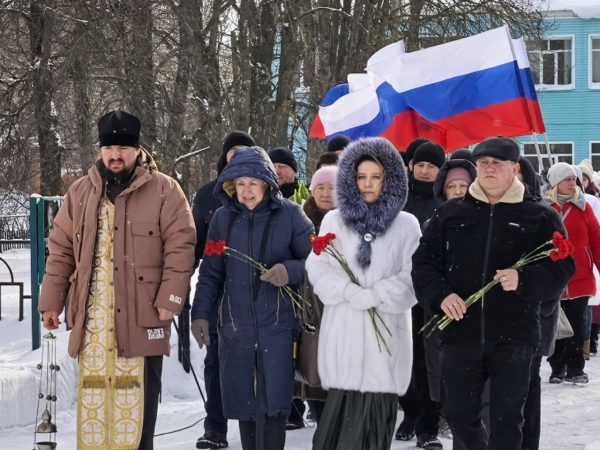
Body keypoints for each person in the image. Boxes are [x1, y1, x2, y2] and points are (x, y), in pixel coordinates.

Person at [39, 110, 196, 450]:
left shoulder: (165, 190)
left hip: (143, 317)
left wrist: (170, 299)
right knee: (96, 409)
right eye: (109, 147)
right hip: (94, 324)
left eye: (123, 148)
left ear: (137, 150)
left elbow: (181, 247)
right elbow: (61, 249)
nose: (115, 155)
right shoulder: (80, 192)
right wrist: (51, 303)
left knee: (137, 418)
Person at [412, 137, 575, 450]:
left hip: (515, 336)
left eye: (496, 163)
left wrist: (524, 279)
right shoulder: (450, 214)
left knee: (507, 419)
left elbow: (563, 267)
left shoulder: (539, 216)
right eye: (483, 163)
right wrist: (441, 297)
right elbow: (423, 264)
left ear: (514, 168)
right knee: (458, 413)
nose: (488, 168)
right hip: (461, 333)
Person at [191, 146, 313, 450]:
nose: (246, 191)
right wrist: (200, 314)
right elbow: (211, 273)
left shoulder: (291, 215)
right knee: (245, 403)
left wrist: (288, 270)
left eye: (253, 183)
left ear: (267, 184)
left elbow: (316, 262)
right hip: (237, 327)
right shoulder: (223, 219)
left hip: (278, 326)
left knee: (275, 404)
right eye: (240, 184)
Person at [305, 137, 421, 450]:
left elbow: (413, 278)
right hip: (344, 334)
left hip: (386, 337)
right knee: (336, 428)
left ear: (389, 179)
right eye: (361, 177)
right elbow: (318, 266)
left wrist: (375, 295)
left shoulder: (406, 225)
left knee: (373, 426)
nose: (367, 184)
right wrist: (347, 291)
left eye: (375, 177)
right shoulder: (334, 220)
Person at [192, 130, 255, 449]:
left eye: (244, 150)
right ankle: (215, 427)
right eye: (233, 151)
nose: (237, 155)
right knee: (215, 363)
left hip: (254, 297)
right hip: (218, 294)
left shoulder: (263, 193)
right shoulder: (207, 196)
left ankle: (255, 428)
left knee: (252, 365)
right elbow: (194, 247)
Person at [398, 140, 446, 449]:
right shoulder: (399, 201)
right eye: (421, 165)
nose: (425, 171)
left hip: (433, 292)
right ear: (411, 166)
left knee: (431, 360)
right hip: (402, 291)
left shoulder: (445, 203)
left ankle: (430, 421)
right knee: (406, 355)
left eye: (432, 166)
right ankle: (410, 410)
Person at [544, 162, 600, 384]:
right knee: (556, 324)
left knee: (576, 324)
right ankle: (557, 367)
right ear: (556, 182)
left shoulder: (584, 207)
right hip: (553, 278)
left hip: (580, 276)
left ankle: (576, 368)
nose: (572, 183)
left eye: (573, 179)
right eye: (567, 179)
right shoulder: (545, 209)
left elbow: (596, 241)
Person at [296, 165, 339, 425]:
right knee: (313, 363)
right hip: (308, 303)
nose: (325, 193)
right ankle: (319, 416)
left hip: (338, 303)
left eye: (331, 188)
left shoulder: (348, 221)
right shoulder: (300, 221)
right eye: (320, 187)